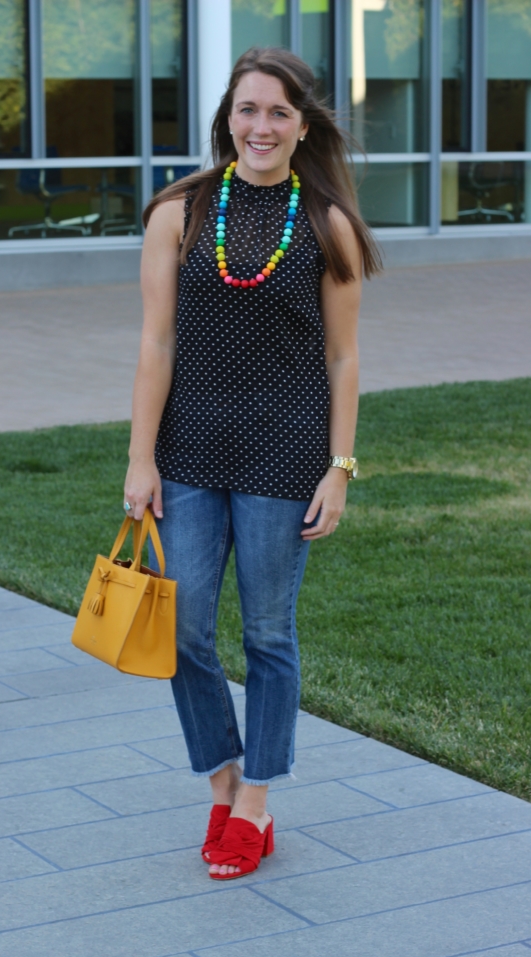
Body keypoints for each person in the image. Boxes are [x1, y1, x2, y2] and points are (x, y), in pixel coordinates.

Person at [123, 47, 380, 880]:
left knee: (267, 633)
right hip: (188, 452)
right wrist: (139, 458)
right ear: (225, 118)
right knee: (186, 629)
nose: (259, 126)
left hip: (285, 457)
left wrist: (339, 466)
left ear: (302, 124)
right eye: (246, 110)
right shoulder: (181, 213)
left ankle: (257, 804)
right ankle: (224, 784)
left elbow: (343, 359)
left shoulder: (326, 225)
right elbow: (155, 343)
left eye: (276, 112)